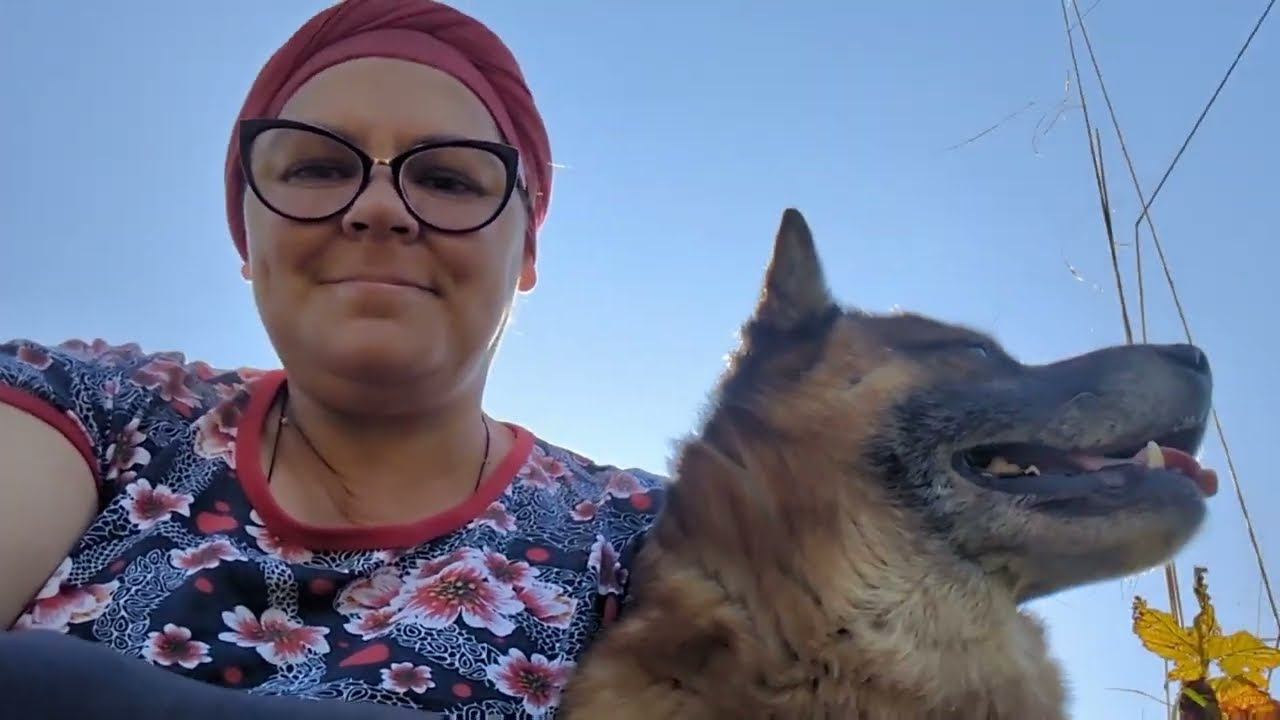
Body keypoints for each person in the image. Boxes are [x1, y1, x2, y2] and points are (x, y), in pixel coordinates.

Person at [0, 1, 665, 717]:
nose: (379, 209)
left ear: (527, 251)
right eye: (317, 168)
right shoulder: (95, 409)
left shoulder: (644, 539)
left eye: (447, 180)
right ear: (248, 234)